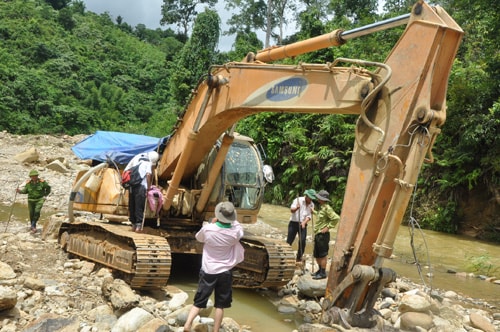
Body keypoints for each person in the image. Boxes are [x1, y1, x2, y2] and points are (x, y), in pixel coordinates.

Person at [183, 201, 245, 332]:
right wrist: (234, 221)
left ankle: (187, 324)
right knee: (220, 305)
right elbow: (239, 228)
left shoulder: (208, 229)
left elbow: (198, 238)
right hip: (225, 272)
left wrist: (211, 223)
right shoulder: (235, 234)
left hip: (208, 270)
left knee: (199, 302)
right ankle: (216, 330)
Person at [124, 150, 159, 232]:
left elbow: (127, 169)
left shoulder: (137, 157)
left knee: (132, 204)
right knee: (139, 205)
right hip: (141, 186)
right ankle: (138, 226)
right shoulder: (148, 162)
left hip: (132, 185)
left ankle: (133, 224)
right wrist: (149, 187)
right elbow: (148, 174)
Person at [311, 190, 340, 279]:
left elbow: (336, 218)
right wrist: (314, 212)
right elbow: (321, 218)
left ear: (322, 199)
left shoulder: (327, 208)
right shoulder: (322, 207)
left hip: (323, 235)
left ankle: (323, 273)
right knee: (317, 254)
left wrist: (328, 227)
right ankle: (319, 270)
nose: (317, 198)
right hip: (318, 234)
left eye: (319, 197)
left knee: (322, 254)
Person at [287, 189, 316, 264]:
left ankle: (299, 257)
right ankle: (286, 255)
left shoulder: (312, 204)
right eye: (310, 198)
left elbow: (309, 216)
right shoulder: (298, 200)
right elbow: (291, 210)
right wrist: (296, 208)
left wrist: (304, 222)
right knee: (289, 240)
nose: (311, 200)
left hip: (303, 224)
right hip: (294, 223)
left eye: (312, 198)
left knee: (302, 241)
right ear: (306, 196)